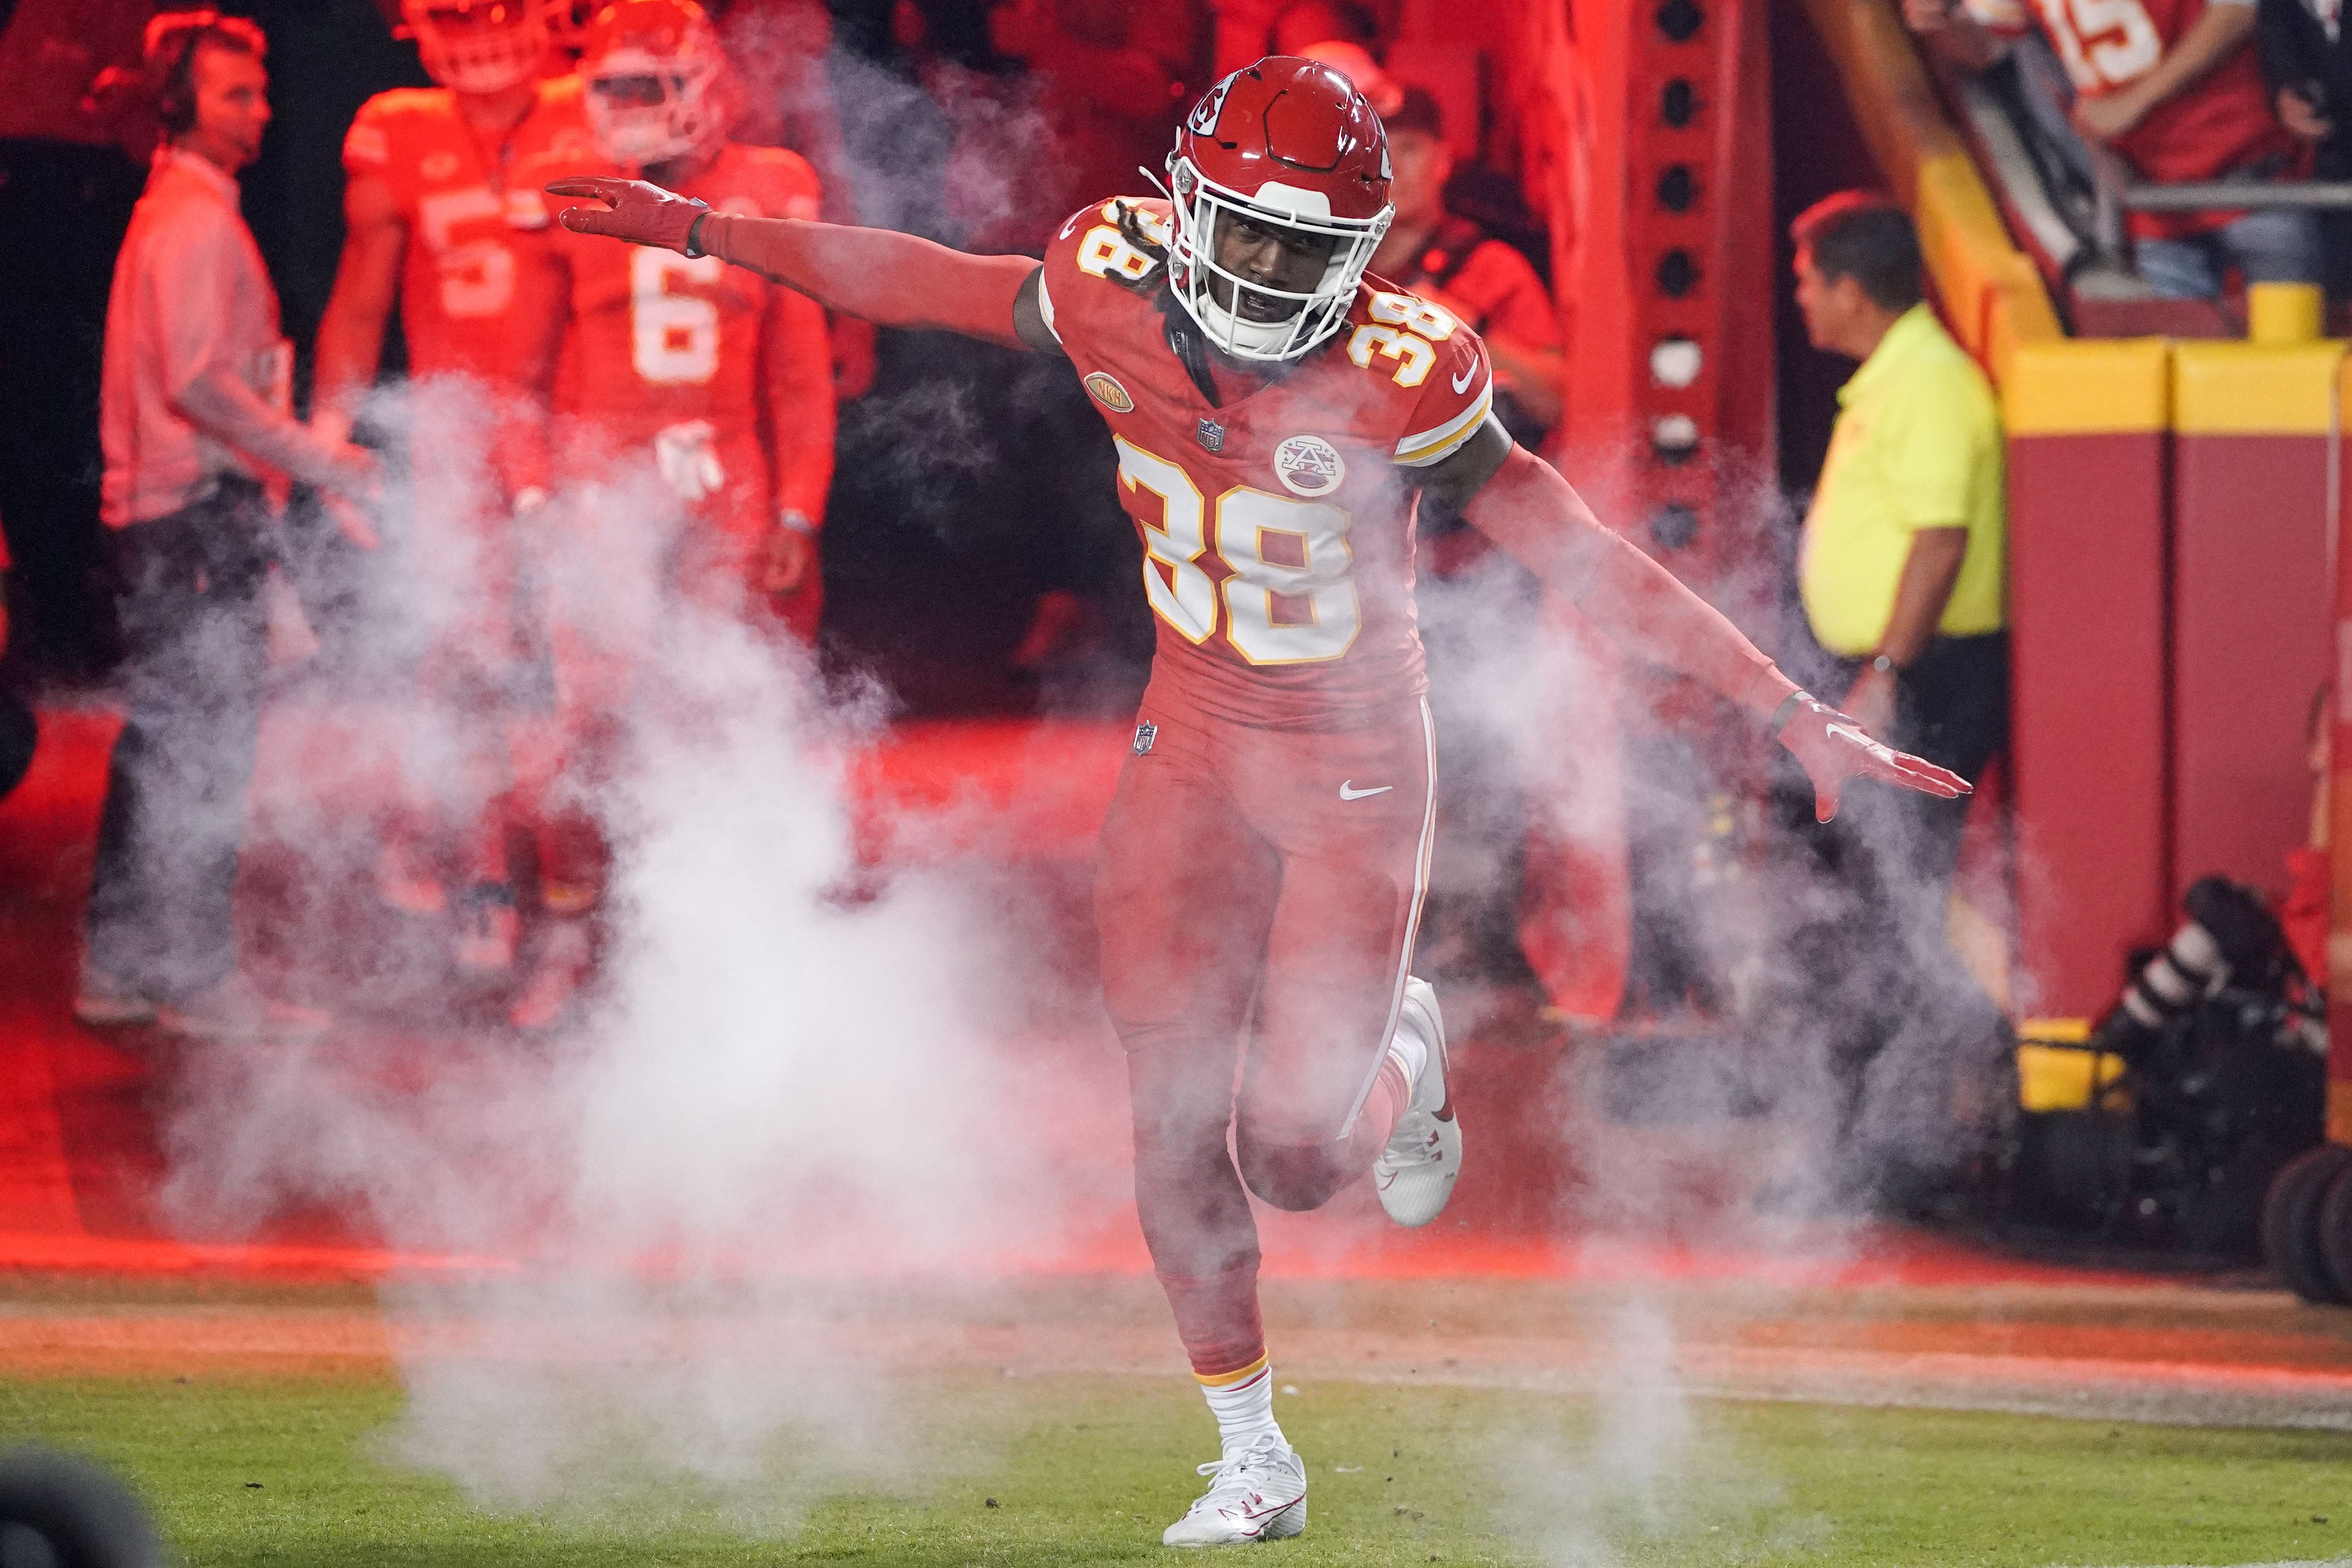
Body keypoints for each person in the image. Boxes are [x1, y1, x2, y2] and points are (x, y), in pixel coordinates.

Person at [547, 57, 1965, 1546]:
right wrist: (710, 233)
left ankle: (1396, 1053)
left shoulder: (1410, 364)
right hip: (1198, 732)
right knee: (1169, 1119)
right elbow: (921, 279)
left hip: (1354, 756)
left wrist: (1791, 710)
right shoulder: (1106, 273)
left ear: (1360, 254)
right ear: (1191, 206)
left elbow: (1582, 548)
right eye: (1257, 235)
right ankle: (1253, 1458)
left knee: (1295, 1160)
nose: (1277, 272)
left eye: (1311, 249)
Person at [497, 0, 835, 1031]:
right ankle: (569, 923)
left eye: (651, 86)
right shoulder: (561, 178)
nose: (630, 111)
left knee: (714, 712)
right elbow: (516, 379)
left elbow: (801, 377)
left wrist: (799, 511)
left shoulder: (770, 185)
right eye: (614, 87)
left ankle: (701, 932)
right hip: (603, 474)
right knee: (586, 718)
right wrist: (532, 493)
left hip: (721, 476)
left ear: (704, 86)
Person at [80, 11, 379, 1039]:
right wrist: (318, 456)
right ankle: (194, 976)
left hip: (171, 519)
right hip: (196, 518)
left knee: (163, 747)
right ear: (180, 106)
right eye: (233, 95)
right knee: (201, 756)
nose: (259, 112)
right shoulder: (194, 220)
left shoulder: (175, 212)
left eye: (258, 93)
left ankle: (120, 967)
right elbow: (201, 382)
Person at [311, 0, 590, 980]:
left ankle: (582, 884)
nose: (480, 20)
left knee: (583, 669)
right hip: (453, 441)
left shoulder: (598, 102)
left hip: (579, 431)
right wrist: (330, 430)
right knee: (467, 661)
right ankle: (484, 879)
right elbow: (360, 293)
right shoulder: (402, 127)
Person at [1784, 193, 2011, 1205]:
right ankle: (1867, 1150)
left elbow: (1938, 537)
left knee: (1888, 908)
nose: (1798, 299)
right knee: (1875, 902)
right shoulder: (1898, 375)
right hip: (1898, 678)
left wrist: (1880, 675)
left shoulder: (1924, 381)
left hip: (1920, 680)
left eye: (1803, 279)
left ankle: (1886, 1155)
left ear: (1846, 286)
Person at [1907, 0, 2320, 299]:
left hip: (2253, 180)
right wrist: (1935, 21)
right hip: (2149, 198)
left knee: (2292, 386)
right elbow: (1985, 48)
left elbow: (2238, 12)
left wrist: (2135, 102)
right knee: (2181, 395)